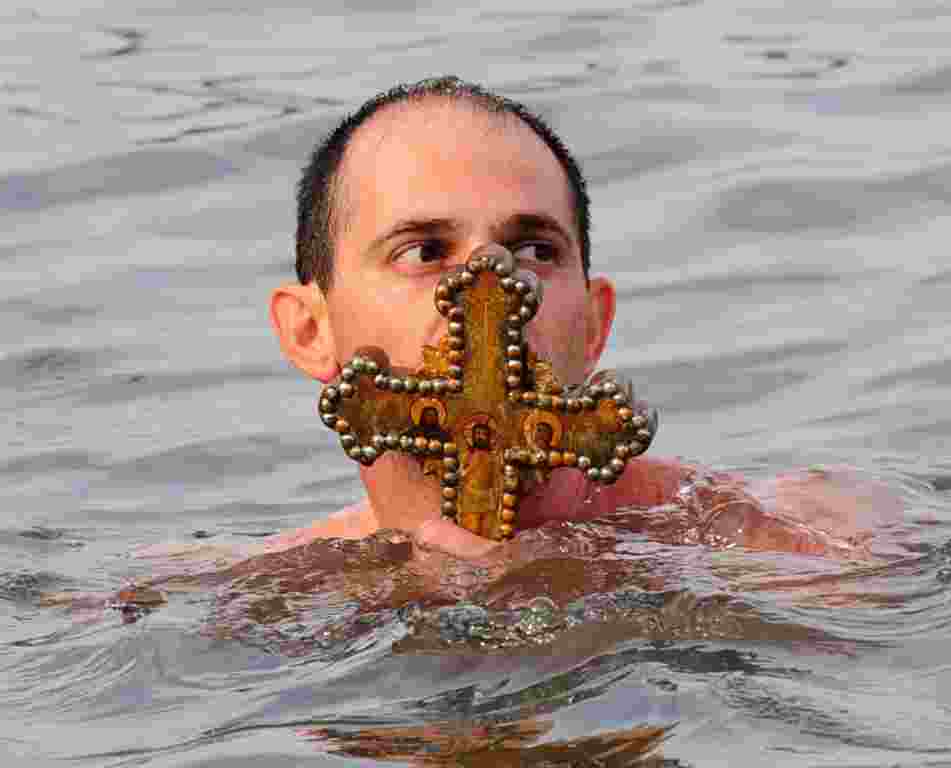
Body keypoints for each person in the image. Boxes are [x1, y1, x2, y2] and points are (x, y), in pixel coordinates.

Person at [267, 76, 900, 560]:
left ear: (596, 325)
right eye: (425, 251)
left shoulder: (782, 547)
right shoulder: (259, 595)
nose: (490, 285)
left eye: (535, 251)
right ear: (309, 331)